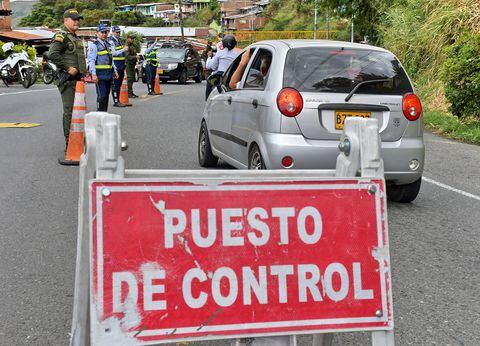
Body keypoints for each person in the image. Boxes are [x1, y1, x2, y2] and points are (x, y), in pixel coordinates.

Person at [47, 8, 87, 152]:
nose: (77, 21)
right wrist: (67, 67)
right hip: (68, 80)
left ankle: (78, 140)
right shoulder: (61, 36)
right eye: (74, 19)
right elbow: (52, 54)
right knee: (70, 111)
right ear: (65, 21)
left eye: (78, 19)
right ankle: (70, 143)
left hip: (79, 81)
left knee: (79, 112)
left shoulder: (75, 37)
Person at [87, 24, 118, 111]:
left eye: (106, 32)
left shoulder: (108, 44)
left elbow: (111, 59)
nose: (104, 34)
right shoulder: (94, 45)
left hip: (108, 73)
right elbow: (91, 60)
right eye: (102, 32)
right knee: (102, 96)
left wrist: (114, 70)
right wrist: (93, 74)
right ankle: (99, 114)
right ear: (97, 33)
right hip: (100, 74)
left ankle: (104, 113)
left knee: (107, 95)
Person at [205, 35, 239, 100]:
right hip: (231, 75)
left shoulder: (220, 53)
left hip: (220, 75)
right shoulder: (236, 54)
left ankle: (207, 100)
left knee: (209, 82)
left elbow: (212, 66)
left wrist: (209, 57)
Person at [108, 25, 128, 107]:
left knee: (119, 84)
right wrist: (124, 49)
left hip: (121, 65)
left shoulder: (119, 40)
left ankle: (118, 100)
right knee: (116, 84)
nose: (118, 33)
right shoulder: (111, 41)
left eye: (119, 32)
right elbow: (114, 53)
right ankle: (116, 101)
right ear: (112, 32)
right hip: (116, 65)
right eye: (116, 32)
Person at [125, 34, 139, 98]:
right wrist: (135, 57)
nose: (132, 40)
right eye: (131, 38)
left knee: (132, 78)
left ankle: (131, 92)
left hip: (133, 64)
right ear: (128, 39)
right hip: (128, 64)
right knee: (129, 78)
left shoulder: (132, 46)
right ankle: (129, 93)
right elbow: (127, 57)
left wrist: (137, 57)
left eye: (133, 39)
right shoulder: (127, 46)